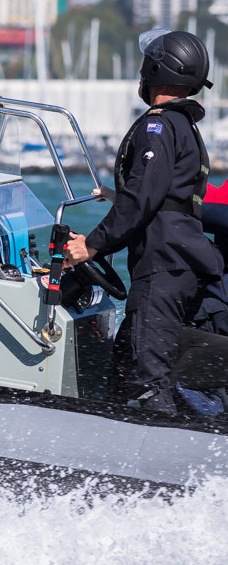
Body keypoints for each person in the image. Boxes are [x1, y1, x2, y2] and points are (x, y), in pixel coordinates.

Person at [65, 28, 223, 414]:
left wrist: (91, 245)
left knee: (147, 382)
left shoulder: (159, 126)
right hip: (180, 259)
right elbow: (170, 199)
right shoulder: (184, 126)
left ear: (153, 69)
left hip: (162, 266)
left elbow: (144, 198)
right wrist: (119, 200)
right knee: (123, 362)